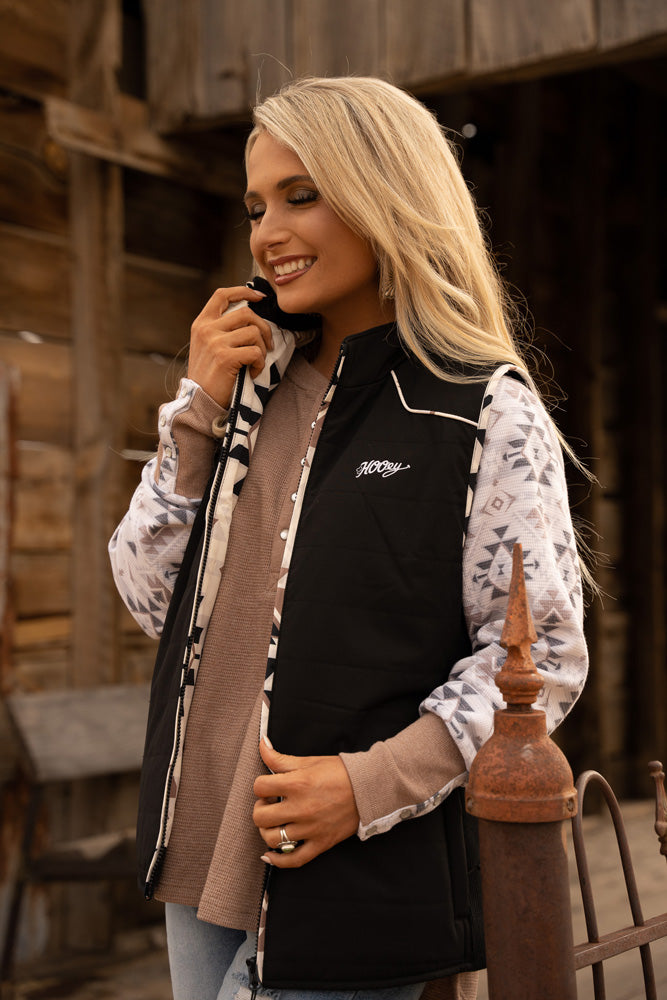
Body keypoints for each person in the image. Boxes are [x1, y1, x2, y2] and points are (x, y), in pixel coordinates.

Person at [109, 76, 589, 1000]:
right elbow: (148, 598)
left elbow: (544, 652)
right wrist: (195, 410)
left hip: (347, 868)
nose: (267, 234)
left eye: (302, 195)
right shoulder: (249, 393)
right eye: (255, 207)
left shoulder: (483, 409)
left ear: (385, 190)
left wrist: (368, 784)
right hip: (202, 846)